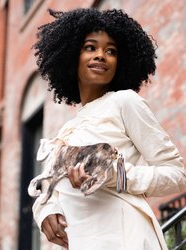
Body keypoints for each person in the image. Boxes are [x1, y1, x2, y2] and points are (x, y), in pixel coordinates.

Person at [31, 8, 186, 250]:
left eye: (111, 51)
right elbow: (49, 188)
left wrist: (114, 175)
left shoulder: (125, 102)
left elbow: (177, 176)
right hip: (82, 240)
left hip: (123, 236)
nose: (101, 55)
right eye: (90, 47)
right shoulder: (65, 131)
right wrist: (45, 211)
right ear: (72, 56)